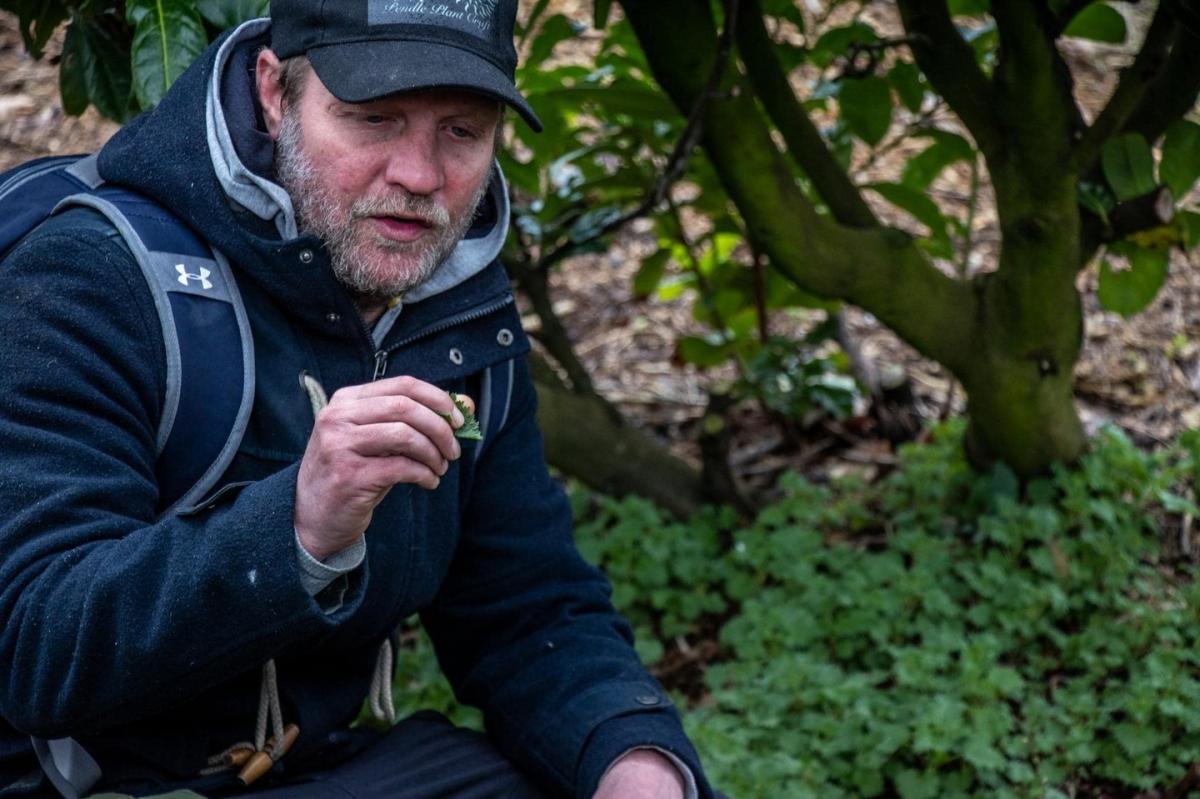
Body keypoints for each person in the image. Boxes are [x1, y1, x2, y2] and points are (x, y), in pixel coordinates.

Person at [0, 1, 716, 797]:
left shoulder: (456, 298)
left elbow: (524, 606)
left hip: (310, 765)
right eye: (374, 119)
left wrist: (633, 757)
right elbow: (33, 648)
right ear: (276, 93)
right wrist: (297, 527)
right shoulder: (89, 275)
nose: (418, 177)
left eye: (462, 132)